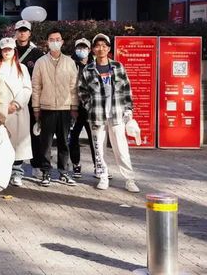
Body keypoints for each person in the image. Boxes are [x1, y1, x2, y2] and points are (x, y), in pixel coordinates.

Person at [78, 34, 139, 193]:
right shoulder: (88, 70)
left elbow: (126, 89)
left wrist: (129, 110)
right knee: (99, 149)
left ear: (109, 49)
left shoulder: (118, 67)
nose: (101, 49)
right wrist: (90, 106)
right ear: (93, 49)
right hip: (97, 115)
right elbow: (82, 91)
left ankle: (129, 179)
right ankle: (103, 177)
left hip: (117, 115)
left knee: (121, 149)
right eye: (98, 46)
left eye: (104, 46)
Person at [31, 29, 79, 187]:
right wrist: (36, 108)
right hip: (46, 107)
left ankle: (64, 171)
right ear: (47, 42)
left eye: (58, 39)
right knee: (46, 142)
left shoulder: (69, 62)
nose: (55, 42)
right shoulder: (41, 62)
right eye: (52, 39)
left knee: (64, 142)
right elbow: (36, 87)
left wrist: (74, 107)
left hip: (65, 108)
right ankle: (46, 172)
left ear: (62, 42)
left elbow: (73, 87)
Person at [0, 37, 33, 187]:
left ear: (14, 51)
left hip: (17, 111)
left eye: (9, 49)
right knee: (0, 144)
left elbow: (27, 88)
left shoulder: (22, 68)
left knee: (18, 143)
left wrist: (16, 103)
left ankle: (17, 173)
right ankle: (1, 173)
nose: (7, 52)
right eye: (4, 50)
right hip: (0, 111)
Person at [14, 20, 45, 177]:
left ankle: (36, 165)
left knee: (35, 133)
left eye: (25, 30)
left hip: (31, 99)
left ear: (29, 33)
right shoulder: (7, 49)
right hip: (13, 99)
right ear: (15, 32)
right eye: (20, 30)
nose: (22, 33)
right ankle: (14, 167)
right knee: (14, 133)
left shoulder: (37, 53)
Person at [69, 38, 97, 179]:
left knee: (94, 137)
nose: (82, 50)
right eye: (79, 48)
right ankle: (76, 164)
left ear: (89, 49)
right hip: (75, 107)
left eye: (84, 48)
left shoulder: (95, 65)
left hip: (91, 108)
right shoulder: (70, 64)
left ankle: (98, 165)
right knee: (73, 137)